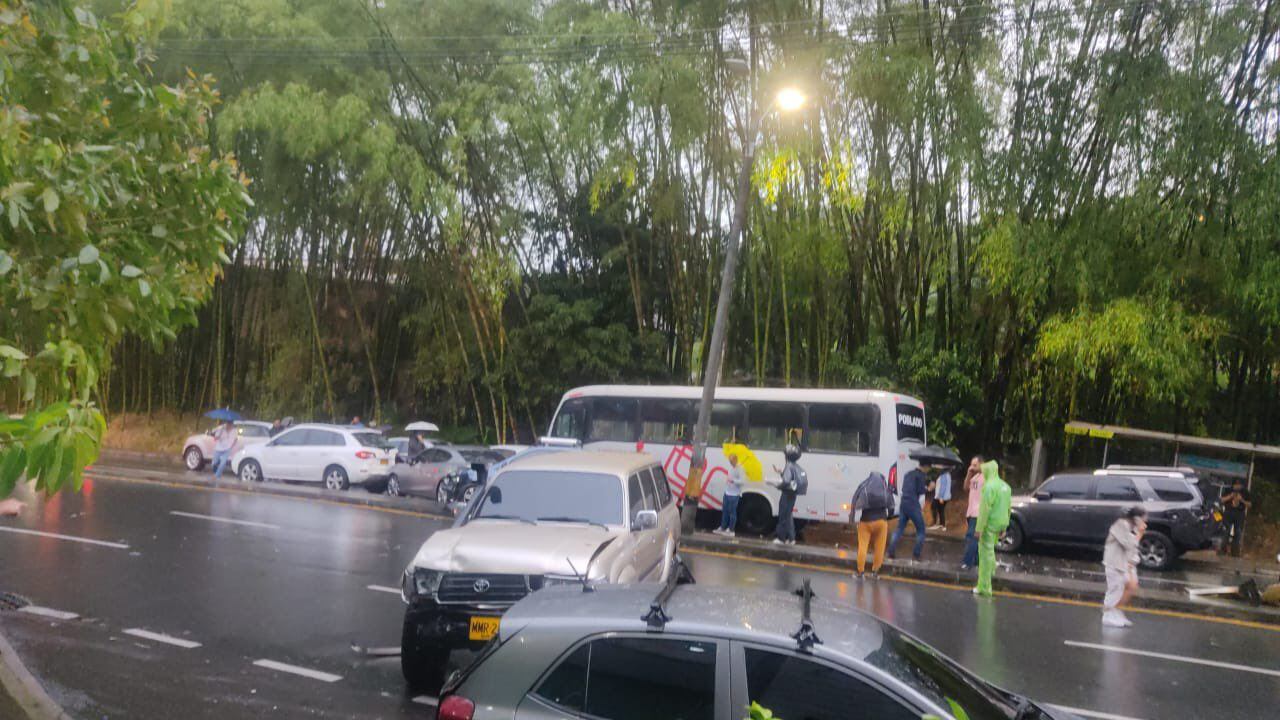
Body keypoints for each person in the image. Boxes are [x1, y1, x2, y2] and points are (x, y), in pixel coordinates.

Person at [1102, 506, 1146, 627]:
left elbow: (1133, 549)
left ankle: (1116, 612)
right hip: (1114, 563)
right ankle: (1107, 615)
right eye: (1143, 519)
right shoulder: (1120, 525)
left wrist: (1133, 562)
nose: (1145, 522)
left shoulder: (1132, 528)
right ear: (1136, 518)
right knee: (1115, 589)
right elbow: (1128, 544)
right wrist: (1140, 534)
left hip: (1125, 564)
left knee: (1128, 587)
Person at [973, 459, 1011, 597]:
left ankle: (984, 587)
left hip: (989, 525)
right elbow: (1008, 508)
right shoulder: (1006, 486)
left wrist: (979, 528)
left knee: (984, 555)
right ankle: (992, 571)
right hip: (1000, 524)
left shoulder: (989, 487)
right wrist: (1005, 527)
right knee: (991, 551)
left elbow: (984, 510)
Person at [850, 471, 893, 579]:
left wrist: (852, 517)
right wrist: (889, 516)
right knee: (879, 548)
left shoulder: (864, 485)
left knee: (863, 547)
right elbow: (891, 504)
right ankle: (875, 573)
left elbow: (855, 499)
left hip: (865, 521)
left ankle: (860, 572)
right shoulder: (885, 487)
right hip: (881, 522)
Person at [887, 464, 931, 560]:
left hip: (904, 503)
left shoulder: (908, 474)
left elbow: (904, 489)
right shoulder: (921, 476)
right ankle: (916, 554)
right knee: (921, 530)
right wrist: (929, 488)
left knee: (899, 529)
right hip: (913, 505)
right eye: (928, 468)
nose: (928, 470)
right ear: (925, 467)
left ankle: (890, 552)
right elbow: (921, 491)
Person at [771, 444, 806, 546]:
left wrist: (778, 485)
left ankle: (781, 539)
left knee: (783, 516)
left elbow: (786, 481)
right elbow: (790, 477)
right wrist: (781, 472)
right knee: (788, 516)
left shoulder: (789, 465)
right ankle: (791, 539)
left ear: (787, 456)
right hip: (792, 494)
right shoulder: (795, 465)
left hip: (786, 494)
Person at [961, 456, 984, 570]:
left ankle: (967, 562)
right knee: (974, 538)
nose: (972, 467)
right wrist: (968, 474)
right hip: (971, 512)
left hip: (978, 513)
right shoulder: (975, 477)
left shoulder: (986, 478)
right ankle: (976, 562)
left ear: (982, 464)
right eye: (971, 465)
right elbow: (965, 487)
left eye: (975, 465)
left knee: (971, 538)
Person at [716, 454, 745, 536]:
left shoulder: (740, 469)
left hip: (735, 493)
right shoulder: (731, 468)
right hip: (727, 491)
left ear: (735, 460)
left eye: (732, 461)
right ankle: (723, 527)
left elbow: (742, 481)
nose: (730, 463)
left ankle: (731, 530)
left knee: (732, 512)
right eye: (730, 461)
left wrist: (733, 480)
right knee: (725, 511)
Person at [1221, 479, 1251, 557]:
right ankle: (1223, 550)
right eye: (1236, 485)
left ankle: (1235, 551)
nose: (1237, 487)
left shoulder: (1245, 492)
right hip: (1229, 512)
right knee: (1226, 531)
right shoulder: (1228, 490)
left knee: (1238, 532)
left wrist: (1242, 500)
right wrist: (1230, 496)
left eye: (1239, 485)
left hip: (1239, 513)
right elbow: (1222, 500)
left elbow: (1249, 504)